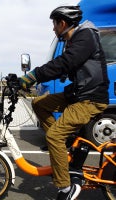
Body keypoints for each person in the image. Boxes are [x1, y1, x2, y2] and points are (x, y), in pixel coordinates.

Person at [19, 5, 109, 200]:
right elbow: (67, 68)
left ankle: (66, 187)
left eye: (54, 24)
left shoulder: (85, 37)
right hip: (79, 94)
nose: (53, 28)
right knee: (39, 103)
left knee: (53, 136)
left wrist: (34, 75)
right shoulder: (75, 39)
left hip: (90, 99)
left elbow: (65, 63)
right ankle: (65, 145)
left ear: (63, 23)